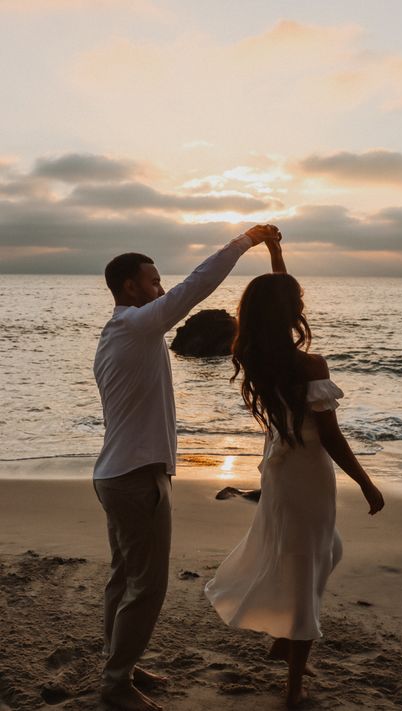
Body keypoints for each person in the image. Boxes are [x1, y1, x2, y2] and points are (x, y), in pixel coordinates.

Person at [92, 224, 281, 711]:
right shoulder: (135, 325)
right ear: (131, 287)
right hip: (135, 477)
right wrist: (246, 241)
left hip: (117, 473)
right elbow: (196, 285)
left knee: (123, 577)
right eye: (153, 281)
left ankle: (120, 666)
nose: (161, 288)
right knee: (146, 587)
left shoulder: (118, 334)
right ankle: (115, 683)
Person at [205, 235, 385, 709]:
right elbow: (331, 437)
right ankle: (293, 685)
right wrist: (367, 483)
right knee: (308, 565)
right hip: (306, 472)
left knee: (322, 550)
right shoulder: (309, 365)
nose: (303, 303)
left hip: (280, 470)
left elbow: (278, 291)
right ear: (287, 312)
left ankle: (284, 635)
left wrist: (275, 254)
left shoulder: (256, 355)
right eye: (298, 300)